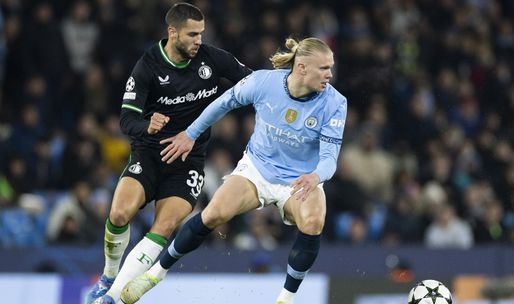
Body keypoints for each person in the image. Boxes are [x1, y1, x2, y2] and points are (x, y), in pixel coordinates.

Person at [120, 37, 348, 304]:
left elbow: (330, 159)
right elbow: (223, 103)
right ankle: (156, 273)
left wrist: (316, 176)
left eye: (330, 67)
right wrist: (190, 134)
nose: (330, 75)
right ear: (302, 68)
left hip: (301, 180)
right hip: (258, 170)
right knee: (214, 214)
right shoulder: (264, 82)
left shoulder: (335, 103)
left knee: (313, 222)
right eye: (324, 68)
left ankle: (286, 299)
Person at [86, 3, 251, 304]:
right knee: (119, 213)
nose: (199, 40)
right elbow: (126, 120)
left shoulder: (213, 59)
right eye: (192, 34)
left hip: (187, 163)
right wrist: (147, 125)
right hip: (149, 154)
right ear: (172, 32)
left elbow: (252, 82)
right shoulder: (148, 66)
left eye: (201, 33)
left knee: (163, 226)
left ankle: (111, 298)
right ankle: (109, 275)